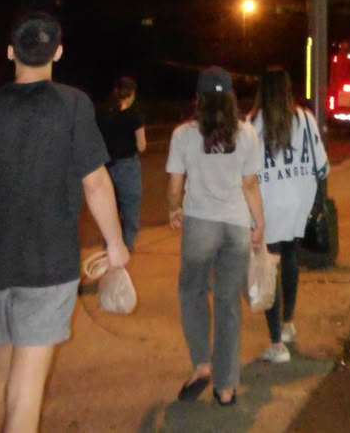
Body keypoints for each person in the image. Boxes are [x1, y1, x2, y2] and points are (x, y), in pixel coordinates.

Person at [0, 10, 129, 433]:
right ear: (58, 51)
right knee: (26, 387)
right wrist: (115, 244)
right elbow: (95, 183)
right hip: (48, 264)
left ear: (10, 52)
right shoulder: (73, 105)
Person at [166, 65, 265, 406]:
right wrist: (259, 223)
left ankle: (201, 365)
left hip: (200, 225)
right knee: (227, 304)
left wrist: (174, 208)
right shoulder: (247, 134)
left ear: (199, 99)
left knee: (191, 292)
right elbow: (250, 184)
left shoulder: (183, 134)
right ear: (232, 100)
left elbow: (176, 183)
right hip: (236, 225)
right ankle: (226, 387)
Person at [249, 66, 328, 363]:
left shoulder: (253, 123)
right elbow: (321, 165)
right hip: (298, 202)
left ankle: (276, 345)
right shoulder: (305, 119)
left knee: (268, 267)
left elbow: (245, 174)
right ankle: (287, 324)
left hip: (267, 205)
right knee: (290, 257)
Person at [95, 75, 146, 252]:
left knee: (110, 212)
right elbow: (141, 145)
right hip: (128, 167)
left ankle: (108, 249)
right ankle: (125, 250)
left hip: (107, 166)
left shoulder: (103, 113)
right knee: (130, 212)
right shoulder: (134, 115)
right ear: (131, 94)